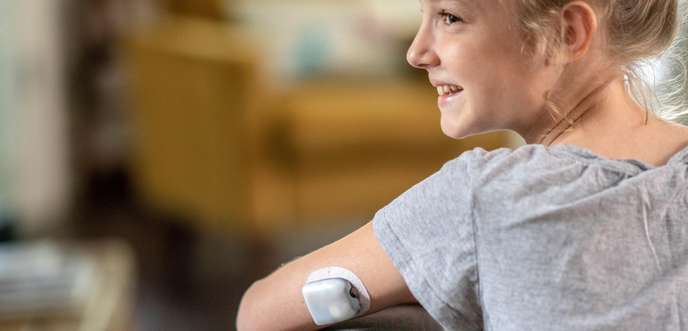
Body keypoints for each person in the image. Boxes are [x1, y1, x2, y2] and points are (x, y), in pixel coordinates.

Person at [237, 0, 688, 330]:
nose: (416, 53)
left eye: (450, 18)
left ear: (568, 33)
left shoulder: (490, 197)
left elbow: (259, 314)